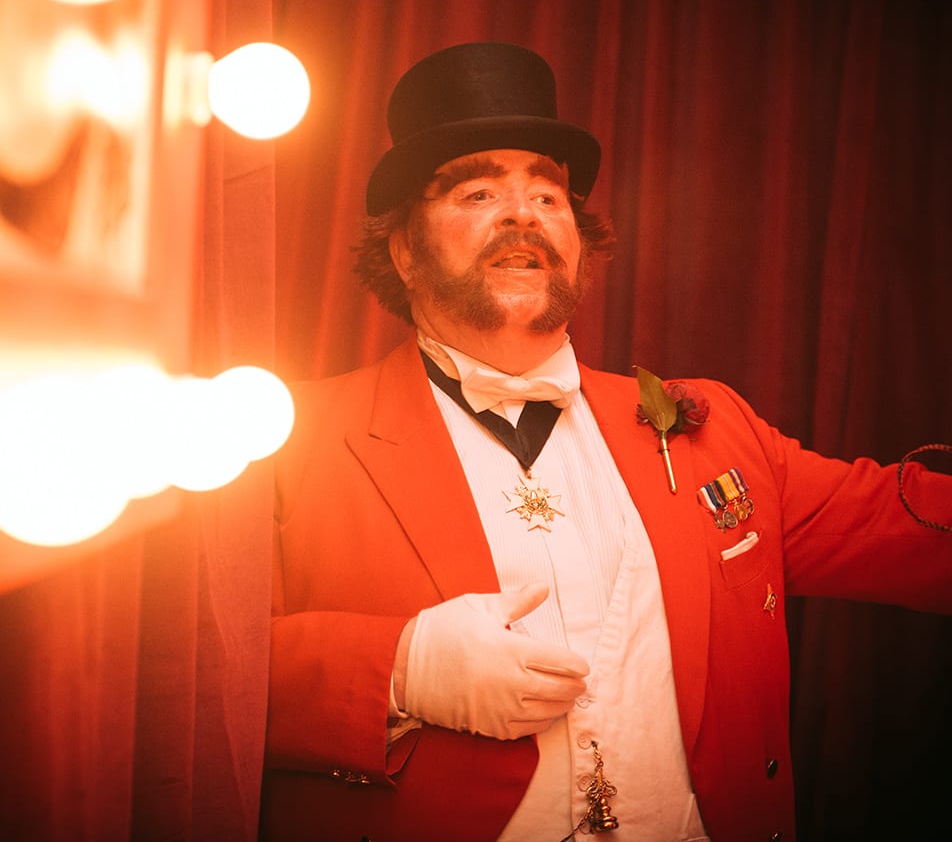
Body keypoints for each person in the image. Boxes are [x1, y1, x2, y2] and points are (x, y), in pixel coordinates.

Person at [260, 42, 952, 842]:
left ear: (580, 247)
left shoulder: (712, 426)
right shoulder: (290, 440)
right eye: (479, 190)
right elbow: (190, 674)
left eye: (548, 195)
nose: (523, 213)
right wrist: (398, 670)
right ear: (405, 252)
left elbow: (908, 530)